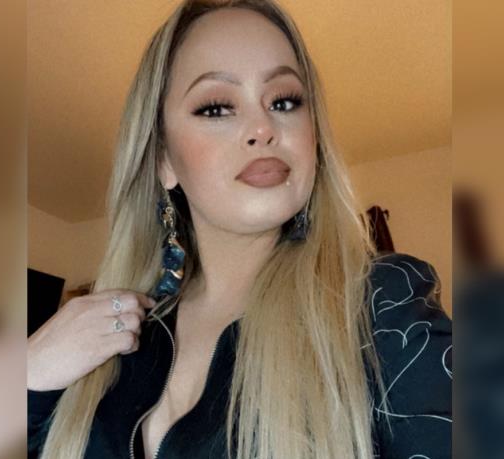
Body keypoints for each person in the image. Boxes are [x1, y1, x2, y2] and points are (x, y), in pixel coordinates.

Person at [27, 1, 452, 458]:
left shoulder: (382, 303)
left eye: (284, 101)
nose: (263, 127)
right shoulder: (111, 338)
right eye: (216, 108)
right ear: (163, 159)